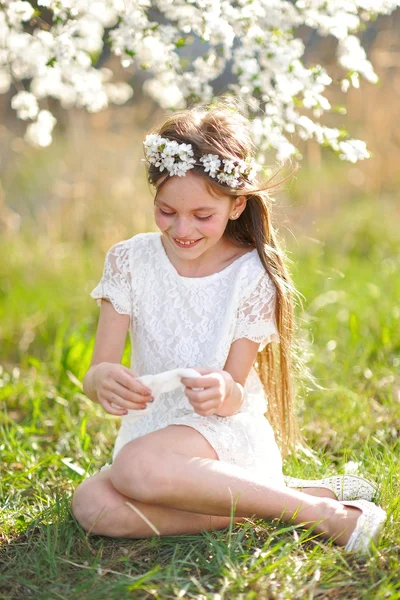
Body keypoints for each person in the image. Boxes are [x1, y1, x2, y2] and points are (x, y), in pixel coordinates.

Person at [72, 101, 385, 553]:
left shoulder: (250, 274)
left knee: (134, 469)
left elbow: (235, 392)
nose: (182, 229)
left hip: (222, 435)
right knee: (93, 505)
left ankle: (323, 514)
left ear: (237, 205)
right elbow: (96, 370)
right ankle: (285, 497)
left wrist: (221, 388)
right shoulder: (128, 261)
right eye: (166, 211)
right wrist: (102, 380)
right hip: (153, 440)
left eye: (202, 216)